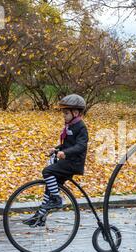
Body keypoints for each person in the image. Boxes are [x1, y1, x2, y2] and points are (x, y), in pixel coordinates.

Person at [23, 94, 89, 227]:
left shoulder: (81, 127)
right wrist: (57, 149)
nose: (63, 116)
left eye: (66, 113)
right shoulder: (70, 125)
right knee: (49, 189)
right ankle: (39, 217)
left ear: (75, 112)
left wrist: (65, 152)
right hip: (67, 161)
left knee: (47, 172)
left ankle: (57, 199)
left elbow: (81, 146)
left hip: (73, 164)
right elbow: (68, 144)